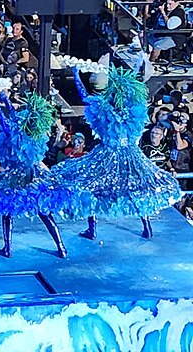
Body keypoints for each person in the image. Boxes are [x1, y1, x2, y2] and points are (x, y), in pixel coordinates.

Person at [45, 63, 181, 240]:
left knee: (91, 186)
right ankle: (147, 227)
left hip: (108, 155)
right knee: (136, 187)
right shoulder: (133, 112)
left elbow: (86, 97)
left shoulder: (106, 111)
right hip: (131, 156)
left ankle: (92, 229)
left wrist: (76, 75)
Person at [0, 85, 74, 259]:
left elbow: (4, 120)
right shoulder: (32, 135)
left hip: (17, 176)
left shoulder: (14, 133)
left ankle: (8, 248)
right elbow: (11, 116)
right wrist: (4, 100)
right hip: (34, 174)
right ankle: (61, 247)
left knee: (8, 210)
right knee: (43, 212)